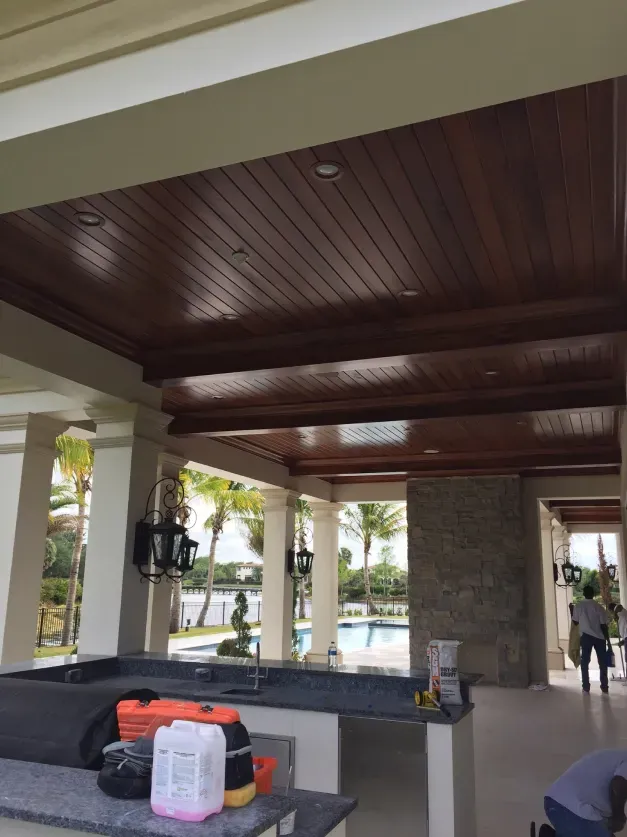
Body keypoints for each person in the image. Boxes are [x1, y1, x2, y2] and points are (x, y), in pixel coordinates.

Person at [541, 749, 627, 836]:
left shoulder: (617, 756)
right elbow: (619, 783)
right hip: (573, 808)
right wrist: (618, 817)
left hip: (555, 803)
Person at [572, 586, 611, 694]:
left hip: (585, 637)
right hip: (600, 638)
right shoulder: (599, 607)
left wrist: (572, 612)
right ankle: (604, 686)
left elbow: (575, 622)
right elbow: (604, 626)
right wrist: (608, 641)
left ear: (583, 593)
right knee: (602, 663)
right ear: (593, 594)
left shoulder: (578, 606)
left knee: (585, 662)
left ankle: (586, 687)